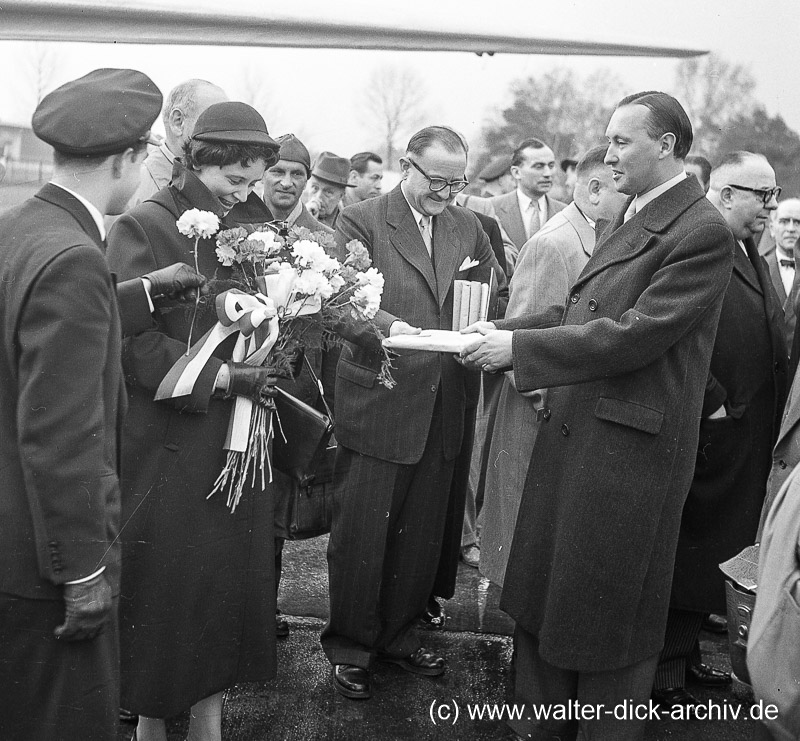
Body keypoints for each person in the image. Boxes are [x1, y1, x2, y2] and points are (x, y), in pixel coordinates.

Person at [461, 91, 735, 741]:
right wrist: (500, 330)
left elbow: (636, 334)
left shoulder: (698, 229)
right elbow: (585, 314)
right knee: (556, 605)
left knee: (607, 622)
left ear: (666, 146)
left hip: (625, 457)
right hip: (590, 440)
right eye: (609, 141)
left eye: (621, 142)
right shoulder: (639, 214)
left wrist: (519, 351)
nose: (607, 154)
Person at [106, 101, 281, 741]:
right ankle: (153, 729)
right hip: (171, 445)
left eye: (253, 180)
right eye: (234, 178)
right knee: (169, 599)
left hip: (234, 441)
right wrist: (226, 377)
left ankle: (208, 727)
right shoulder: (145, 225)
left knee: (217, 593)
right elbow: (130, 344)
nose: (245, 192)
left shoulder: (253, 225)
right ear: (198, 161)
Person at [0, 67, 161, 741]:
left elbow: (30, 333)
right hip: (45, 565)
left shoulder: (21, 226)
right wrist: (84, 569)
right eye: (146, 153)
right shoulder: (75, 257)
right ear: (126, 158)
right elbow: (60, 435)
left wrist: (145, 295)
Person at [322, 125, 506, 701]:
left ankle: (399, 635)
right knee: (361, 533)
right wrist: (385, 329)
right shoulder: (362, 219)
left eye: (457, 183)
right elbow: (336, 298)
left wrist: (486, 321)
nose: (447, 194)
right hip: (381, 396)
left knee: (423, 532)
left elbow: (492, 294)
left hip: (445, 400)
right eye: (437, 181)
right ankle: (351, 645)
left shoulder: (469, 225)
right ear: (407, 165)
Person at [652, 151, 787, 709]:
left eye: (774, 196)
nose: (771, 208)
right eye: (763, 196)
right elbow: (678, 331)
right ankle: (661, 672)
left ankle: (682, 659)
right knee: (689, 551)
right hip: (713, 429)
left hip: (740, 434)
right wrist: (712, 405)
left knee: (713, 552)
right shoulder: (704, 240)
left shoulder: (746, 248)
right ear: (727, 193)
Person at [479, 144, 627, 587]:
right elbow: (521, 344)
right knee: (525, 553)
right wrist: (547, 406)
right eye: (626, 191)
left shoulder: (598, 238)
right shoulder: (553, 245)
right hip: (538, 421)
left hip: (562, 422)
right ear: (596, 189)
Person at [131, 78, 227, 205]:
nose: (225, 136)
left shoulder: (225, 186)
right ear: (178, 122)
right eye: (215, 124)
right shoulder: (135, 189)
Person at [490, 138, 567, 275]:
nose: (548, 173)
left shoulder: (565, 213)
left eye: (551, 165)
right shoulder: (491, 208)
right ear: (516, 172)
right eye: (538, 166)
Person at [254, 133, 333, 234]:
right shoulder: (235, 225)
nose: (286, 183)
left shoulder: (326, 240)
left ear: (306, 182)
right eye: (278, 172)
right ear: (261, 175)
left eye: (297, 174)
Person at [761, 198, 800, 350]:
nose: (791, 228)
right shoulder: (756, 267)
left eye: (797, 222)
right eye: (784, 221)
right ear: (771, 228)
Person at [304, 150, 353, 228]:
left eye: (328, 192)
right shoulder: (293, 212)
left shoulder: (347, 226)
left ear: (341, 195)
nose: (318, 196)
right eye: (315, 188)